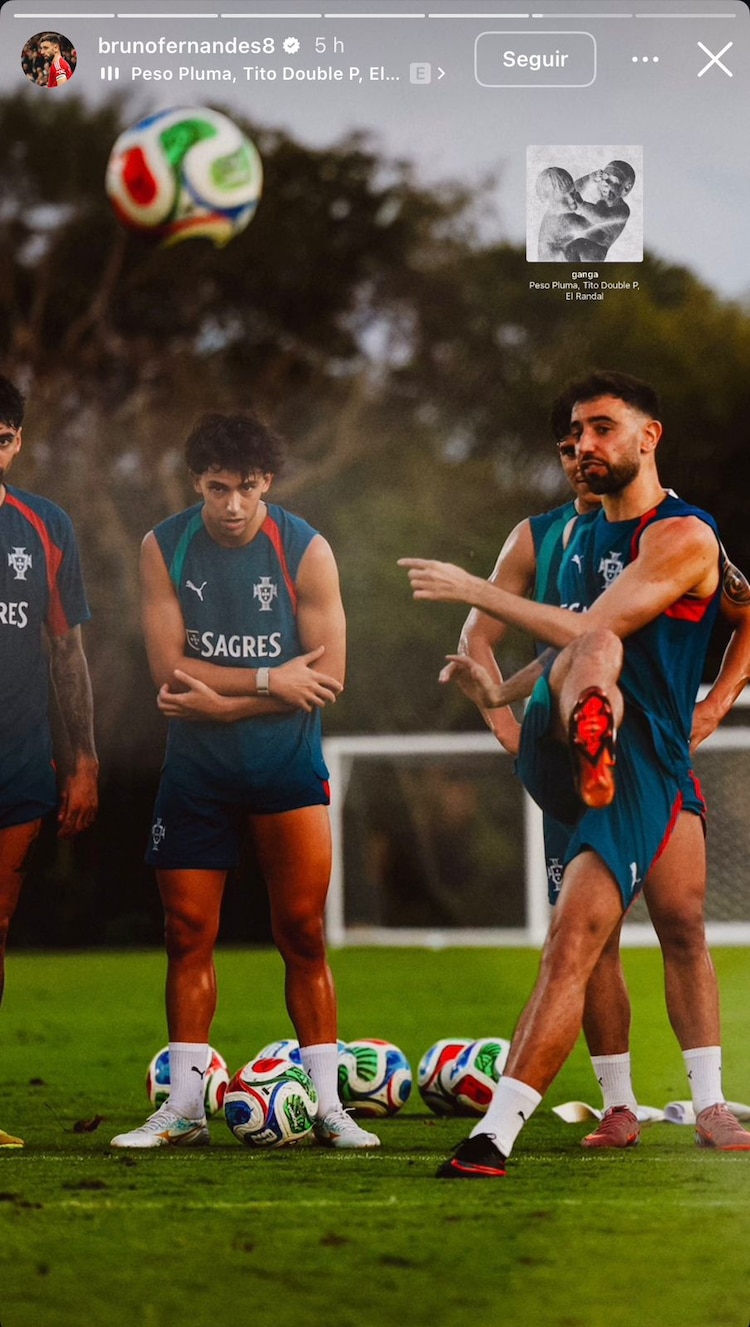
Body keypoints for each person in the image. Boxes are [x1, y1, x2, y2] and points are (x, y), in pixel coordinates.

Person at [400, 370, 750, 1175]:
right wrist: (502, 706)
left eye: (600, 428)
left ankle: (704, 1103)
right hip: (582, 753)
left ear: (648, 435)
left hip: (650, 758)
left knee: (669, 924)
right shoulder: (555, 533)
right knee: (580, 941)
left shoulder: (687, 537)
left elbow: (739, 613)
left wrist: (721, 698)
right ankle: (569, 1113)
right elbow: (544, 640)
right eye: (573, 435)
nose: (583, 446)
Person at [110, 412, 378, 1151]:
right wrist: (267, 679)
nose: (233, 504)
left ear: (269, 483)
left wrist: (225, 699)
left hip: (287, 770)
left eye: (248, 488)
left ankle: (328, 1105)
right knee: (186, 933)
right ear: (196, 481)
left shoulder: (305, 548)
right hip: (196, 774)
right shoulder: (163, 546)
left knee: (302, 932)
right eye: (219, 487)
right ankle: (185, 1108)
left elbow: (328, 677)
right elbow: (170, 671)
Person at [0, 374, 98, 1149]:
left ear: (17, 440)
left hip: (18, 764)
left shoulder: (44, 525)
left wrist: (86, 759)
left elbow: (65, 649)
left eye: (3, 437)